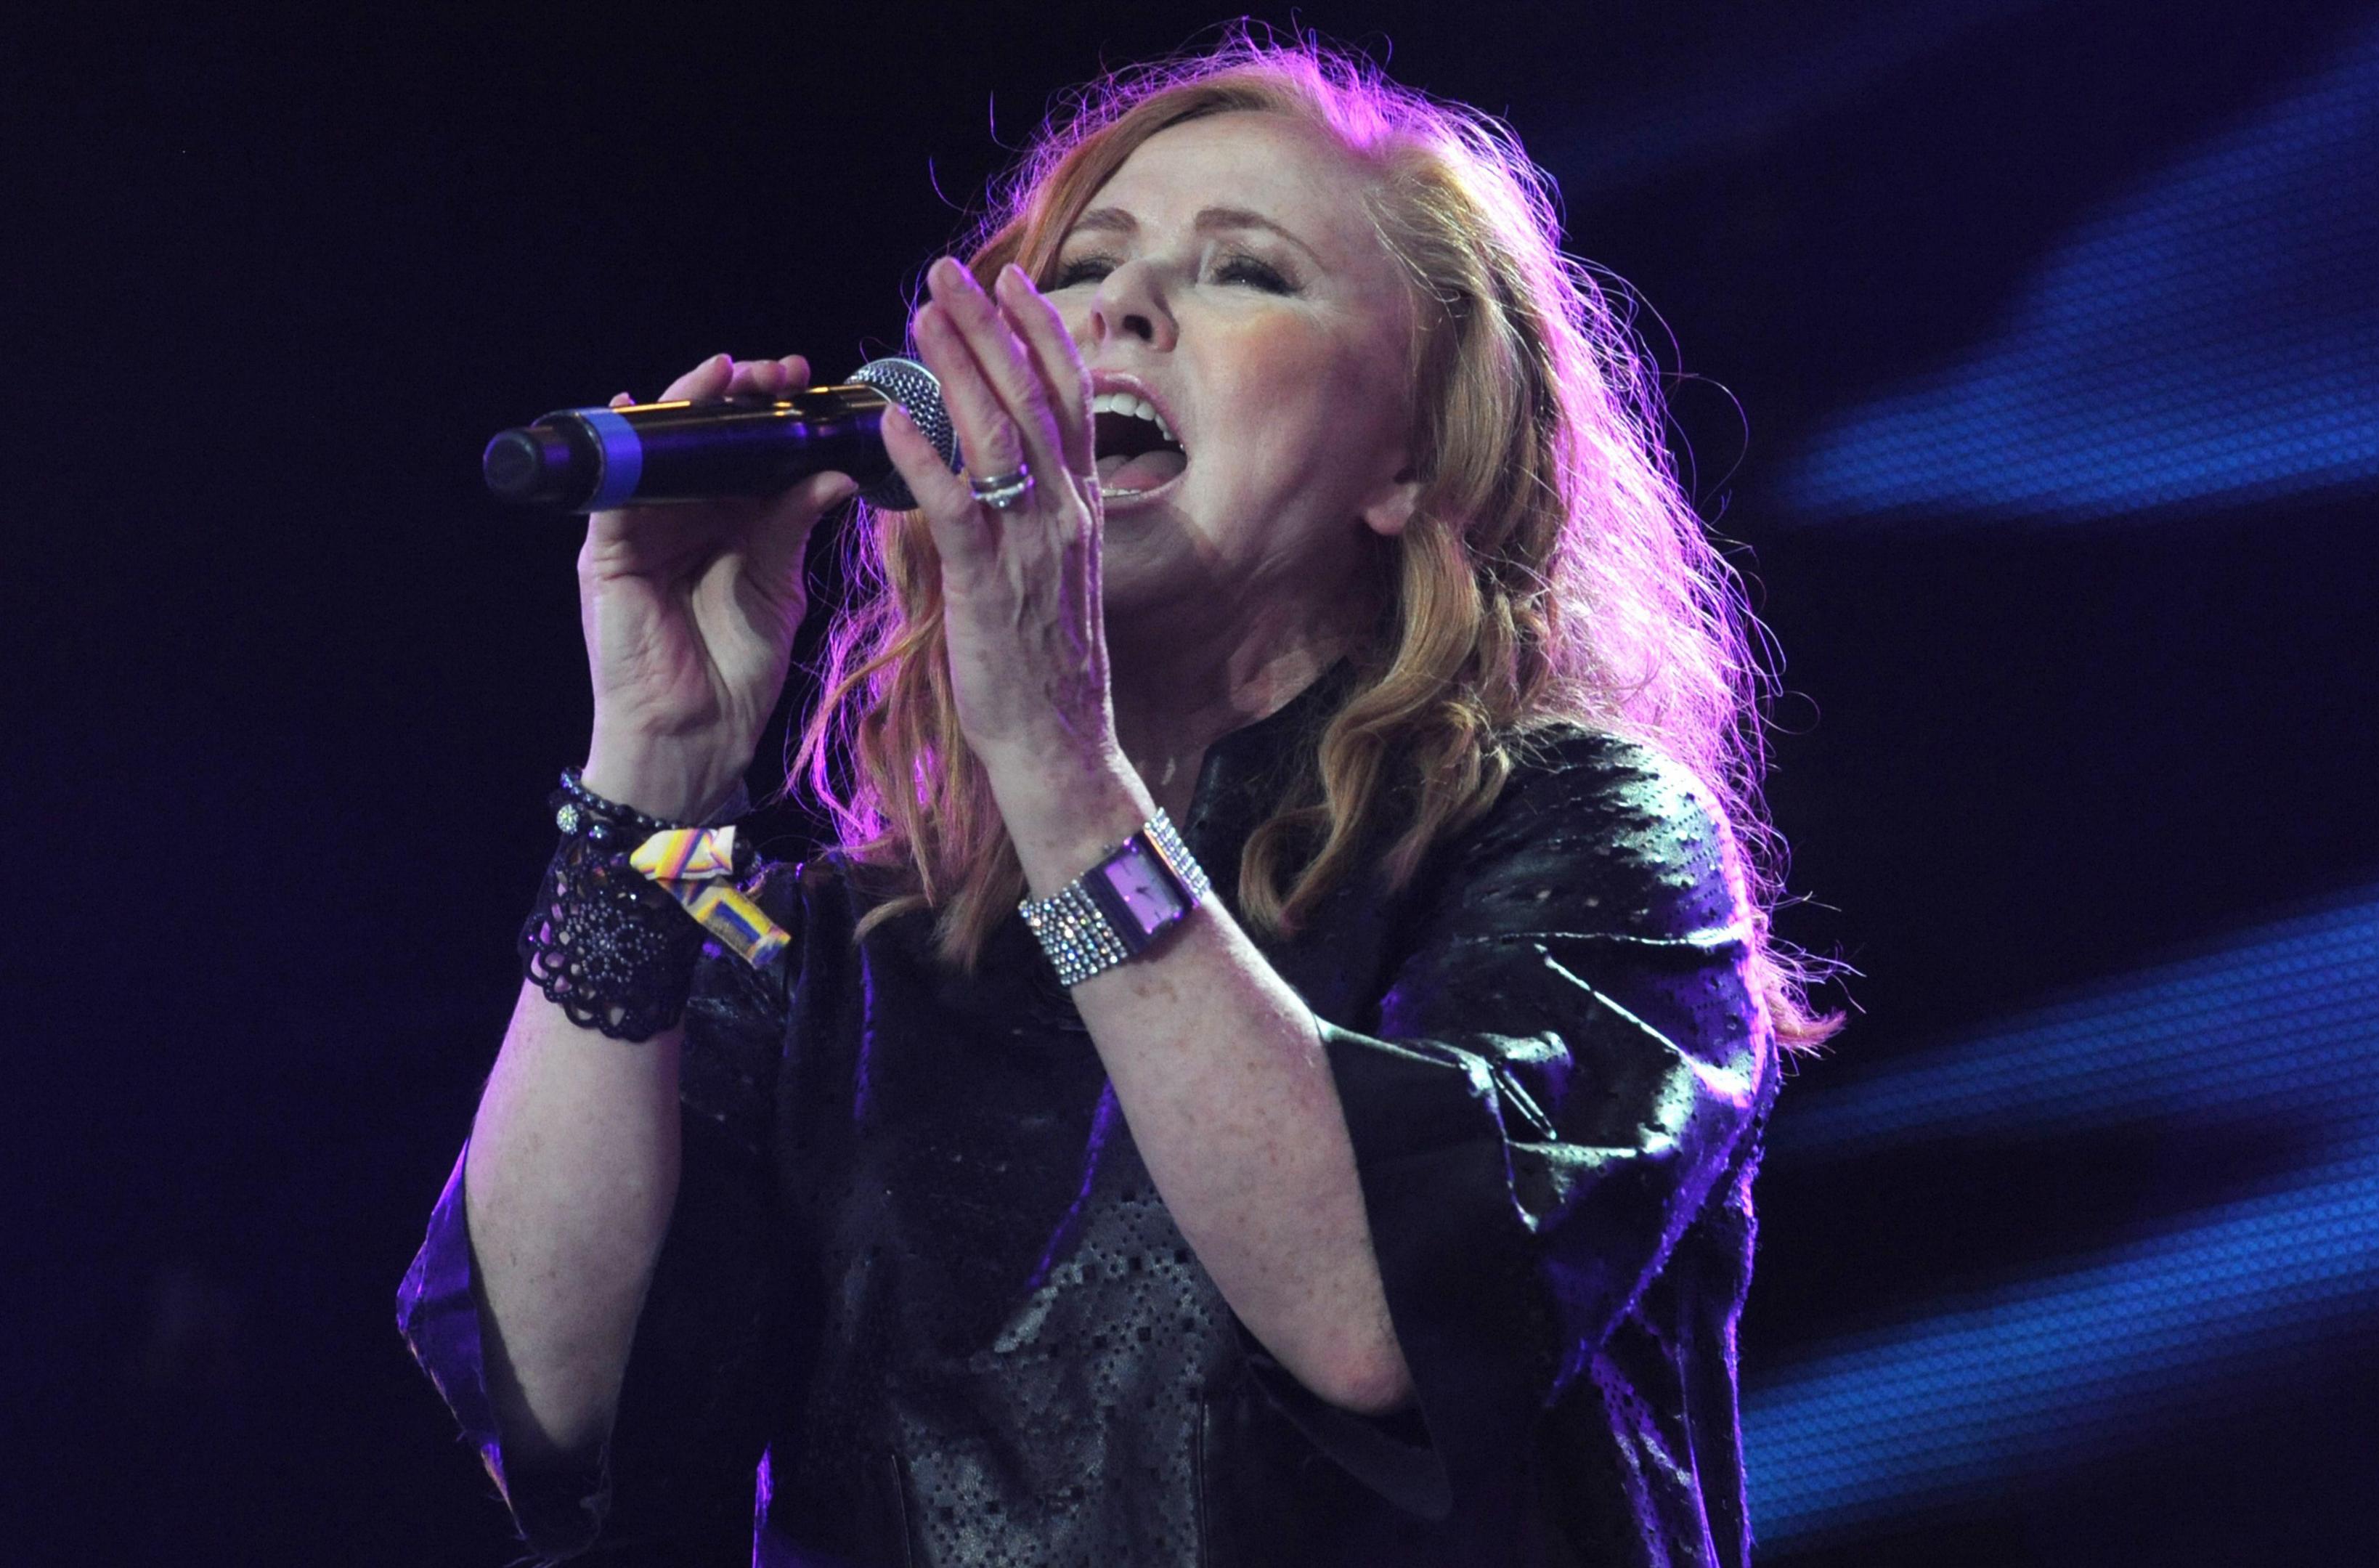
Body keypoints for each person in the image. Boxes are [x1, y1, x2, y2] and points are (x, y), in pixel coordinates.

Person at [399, 33, 1837, 1568]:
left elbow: (1380, 1319)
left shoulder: (1577, 838)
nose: (1121, 310)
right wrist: (653, 776)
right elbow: (557, 1414)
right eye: (1082, 265)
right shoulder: (852, 952)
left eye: (1248, 274)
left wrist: (1066, 781)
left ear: (1415, 459)